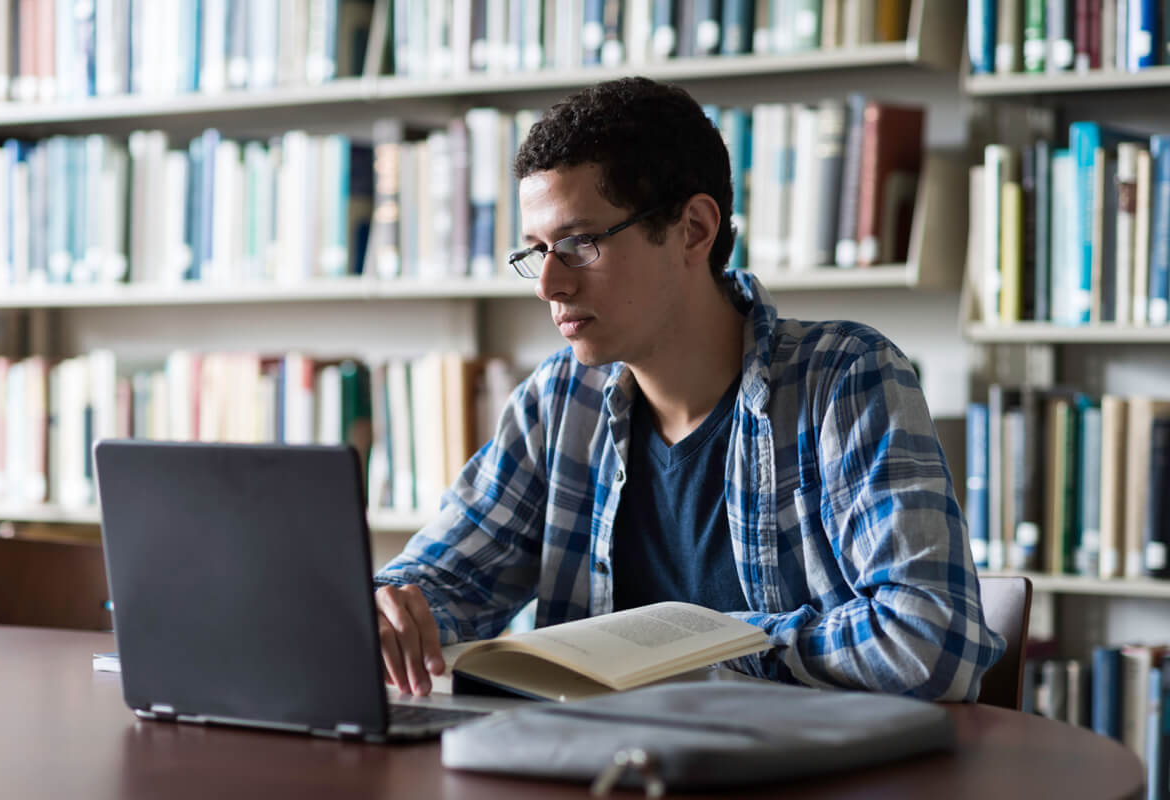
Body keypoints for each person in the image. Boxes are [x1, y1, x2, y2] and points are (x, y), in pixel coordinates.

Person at [374, 76, 1004, 701]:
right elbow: (445, 581)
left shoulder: (843, 380)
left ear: (694, 230)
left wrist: (704, 647)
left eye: (578, 243)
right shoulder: (558, 401)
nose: (548, 285)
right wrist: (389, 609)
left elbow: (929, 641)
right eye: (536, 251)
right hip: (594, 773)